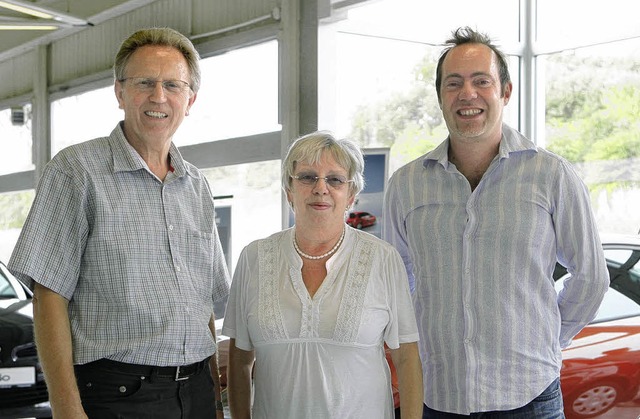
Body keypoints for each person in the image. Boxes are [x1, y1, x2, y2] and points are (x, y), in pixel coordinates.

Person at [383, 27, 610, 418]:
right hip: (438, 396)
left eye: (481, 81)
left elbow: (591, 277)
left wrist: (545, 341)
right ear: (440, 97)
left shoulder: (553, 175)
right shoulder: (406, 185)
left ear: (505, 92)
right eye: (453, 83)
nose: (466, 94)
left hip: (529, 397)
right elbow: (398, 281)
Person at [8, 27, 230, 419]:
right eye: (145, 82)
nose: (158, 97)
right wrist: (66, 409)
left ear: (190, 99)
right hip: (117, 395)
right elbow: (49, 297)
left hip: (196, 390)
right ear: (120, 92)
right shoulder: (76, 172)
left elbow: (203, 304)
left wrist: (211, 393)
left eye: (172, 85)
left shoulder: (197, 186)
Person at [223, 131, 423, 419]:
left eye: (335, 179)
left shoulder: (383, 259)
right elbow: (240, 359)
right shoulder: (254, 258)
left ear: (351, 194)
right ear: (289, 190)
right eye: (306, 177)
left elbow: (407, 358)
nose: (320, 188)